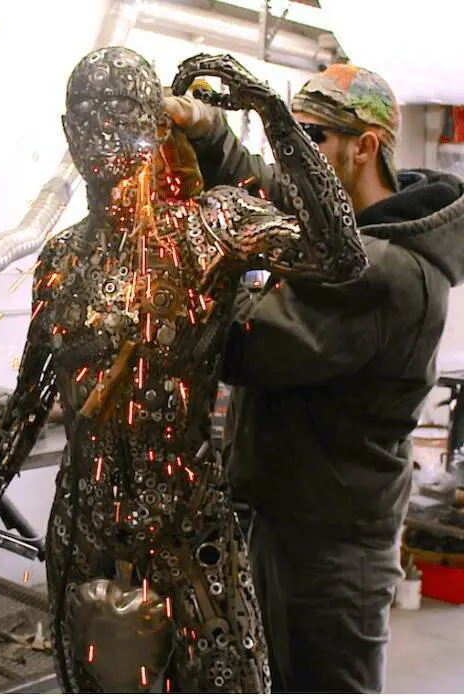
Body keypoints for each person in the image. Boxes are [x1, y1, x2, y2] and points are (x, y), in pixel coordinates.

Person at [0, 49, 367, 694]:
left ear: (157, 124)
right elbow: (26, 409)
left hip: (188, 531)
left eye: (125, 118)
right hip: (85, 532)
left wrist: (271, 112)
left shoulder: (211, 227)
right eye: (90, 121)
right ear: (68, 131)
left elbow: (341, 253)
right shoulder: (64, 260)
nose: (107, 139)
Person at [165, 62, 464, 692]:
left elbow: (246, 343)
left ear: (365, 147)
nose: (294, 153)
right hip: (292, 515)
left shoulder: (384, 268)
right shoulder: (349, 226)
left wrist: (185, 267)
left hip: (329, 546)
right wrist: (211, 133)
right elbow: (281, 188)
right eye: (288, 136)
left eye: (311, 138)